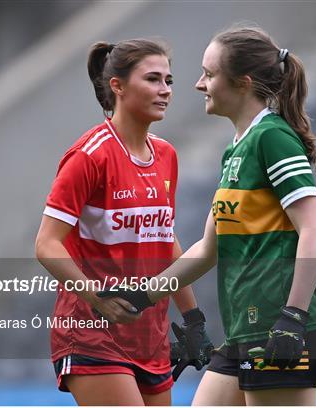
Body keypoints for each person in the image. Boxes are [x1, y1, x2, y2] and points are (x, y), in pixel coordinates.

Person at [100, 25, 316, 406]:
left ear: (242, 83)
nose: (197, 84)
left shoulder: (272, 138)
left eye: (209, 74)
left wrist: (293, 317)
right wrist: (142, 295)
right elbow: (209, 249)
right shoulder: (235, 151)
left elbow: (314, 230)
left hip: (280, 328)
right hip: (246, 330)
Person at [35, 38, 212, 406]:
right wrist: (96, 299)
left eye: (169, 80)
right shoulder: (89, 155)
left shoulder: (166, 155)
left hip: (150, 334)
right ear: (117, 85)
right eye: (152, 79)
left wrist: (192, 318)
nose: (165, 90)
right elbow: (46, 244)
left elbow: (166, 241)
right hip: (91, 333)